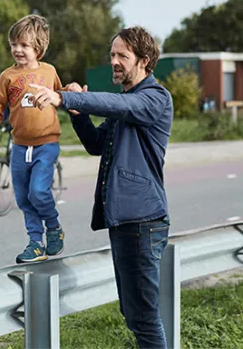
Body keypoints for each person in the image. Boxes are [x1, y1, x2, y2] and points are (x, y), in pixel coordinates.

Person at [28, 26, 173, 349]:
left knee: (145, 318)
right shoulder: (125, 102)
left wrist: (64, 98)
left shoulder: (155, 98)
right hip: (125, 220)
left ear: (144, 61)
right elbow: (96, 143)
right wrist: (78, 113)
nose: (115, 61)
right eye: (112, 55)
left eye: (123, 55)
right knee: (134, 314)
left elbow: (117, 106)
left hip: (143, 222)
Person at [0, 14, 65, 264]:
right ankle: (35, 243)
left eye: (24, 45)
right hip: (19, 147)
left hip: (46, 144)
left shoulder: (49, 71)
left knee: (39, 191)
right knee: (23, 198)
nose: (17, 50)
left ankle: (53, 227)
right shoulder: (7, 77)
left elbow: (61, 96)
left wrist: (72, 95)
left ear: (38, 48)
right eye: (14, 44)